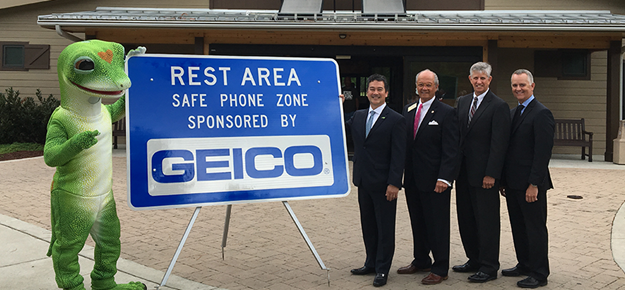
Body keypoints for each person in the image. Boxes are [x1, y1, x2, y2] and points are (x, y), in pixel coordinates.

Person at [397, 69, 459, 285]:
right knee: (418, 222)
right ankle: (421, 260)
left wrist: (445, 178)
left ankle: (440, 268)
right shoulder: (408, 109)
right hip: (413, 179)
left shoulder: (446, 112)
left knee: (437, 225)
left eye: (428, 85)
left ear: (436, 87)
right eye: (420, 85)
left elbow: (451, 149)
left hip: (436, 182)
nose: (424, 88)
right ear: (416, 86)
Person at [345, 73, 406, 287]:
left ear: (386, 93)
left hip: (384, 184)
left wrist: (394, 183)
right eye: (372, 89)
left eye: (379, 89)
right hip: (363, 181)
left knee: (384, 228)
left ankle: (382, 269)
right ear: (367, 92)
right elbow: (338, 124)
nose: (375, 93)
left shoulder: (396, 120)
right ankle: (370, 262)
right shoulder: (358, 116)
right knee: (368, 225)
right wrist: (336, 104)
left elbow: (399, 155)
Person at [453, 62, 510, 283]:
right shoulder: (463, 102)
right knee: (466, 218)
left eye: (483, 79)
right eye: (475, 78)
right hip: (463, 174)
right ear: (470, 79)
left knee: (486, 222)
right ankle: (473, 259)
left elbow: (499, 144)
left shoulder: (498, 106)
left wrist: (492, 174)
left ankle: (489, 266)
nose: (478, 82)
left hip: (485, 176)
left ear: (489, 80)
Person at [500, 69, 554, 288]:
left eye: (522, 85)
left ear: (532, 86)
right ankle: (524, 264)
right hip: (513, 184)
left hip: (531, 185)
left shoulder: (542, 113)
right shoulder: (514, 113)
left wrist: (534, 184)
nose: (518, 89)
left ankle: (539, 273)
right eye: (514, 85)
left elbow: (543, 153)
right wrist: (504, 181)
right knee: (518, 226)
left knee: (535, 228)